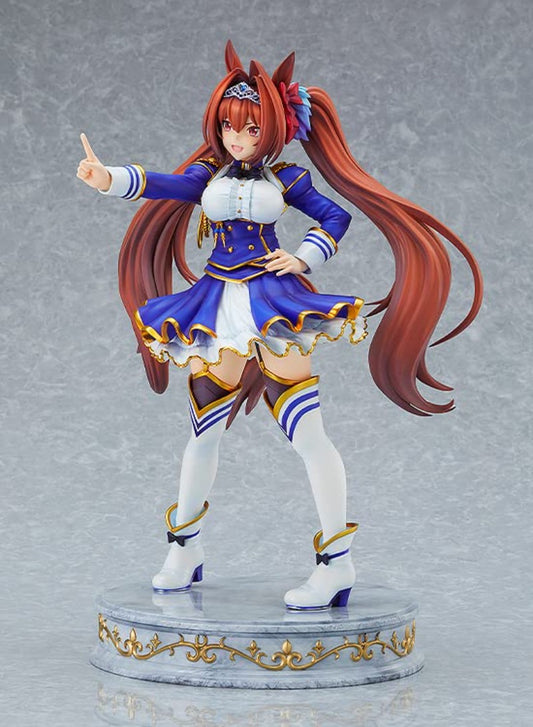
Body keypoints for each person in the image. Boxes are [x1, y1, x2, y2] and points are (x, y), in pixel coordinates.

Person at [77, 41, 482, 610]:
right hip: (215, 308)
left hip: (273, 307)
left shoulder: (287, 178)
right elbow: (163, 184)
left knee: (307, 434)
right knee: (203, 432)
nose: (237, 139)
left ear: (273, 129)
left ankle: (337, 564)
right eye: (228, 127)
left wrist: (304, 256)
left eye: (250, 129)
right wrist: (107, 179)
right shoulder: (207, 173)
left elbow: (335, 215)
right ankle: (184, 549)